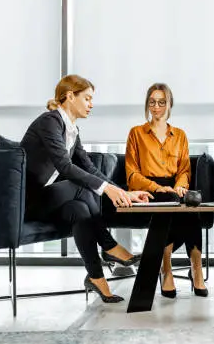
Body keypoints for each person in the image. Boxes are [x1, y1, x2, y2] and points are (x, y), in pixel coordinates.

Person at [20, 74, 152, 303]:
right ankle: (110, 246)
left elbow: (89, 168)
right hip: (26, 203)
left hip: (46, 201)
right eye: (88, 98)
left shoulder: (72, 130)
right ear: (70, 96)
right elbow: (65, 166)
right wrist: (107, 191)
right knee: (80, 187)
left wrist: (122, 191)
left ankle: (96, 278)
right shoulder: (49, 121)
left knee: (79, 210)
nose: (91, 104)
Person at [125, 83, 208, 298]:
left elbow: (184, 170)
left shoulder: (179, 135)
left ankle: (196, 268)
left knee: (192, 205)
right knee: (172, 203)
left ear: (170, 104)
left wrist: (180, 186)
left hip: (174, 187)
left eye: (162, 102)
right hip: (148, 189)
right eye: (152, 102)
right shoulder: (136, 133)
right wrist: (157, 187)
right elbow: (131, 173)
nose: (156, 106)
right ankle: (166, 269)